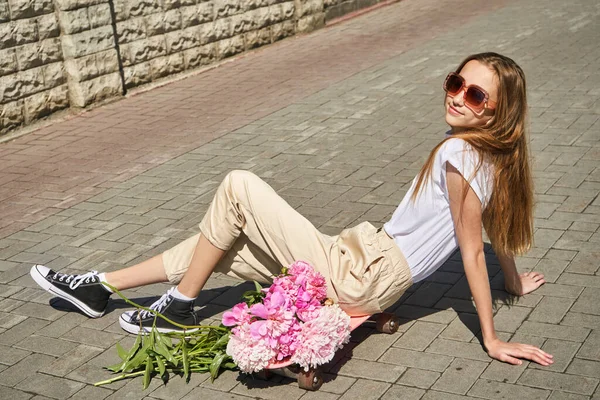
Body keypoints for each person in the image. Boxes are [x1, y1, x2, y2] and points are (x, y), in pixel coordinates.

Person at [30, 52, 553, 366]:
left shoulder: (459, 153)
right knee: (223, 248)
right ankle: (102, 288)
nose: (459, 97)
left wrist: (491, 337)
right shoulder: (493, 155)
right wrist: (511, 282)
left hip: (367, 272)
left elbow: (470, 248)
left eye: (476, 95)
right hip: (363, 262)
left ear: (499, 110)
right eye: (455, 83)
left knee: (238, 185)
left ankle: (180, 308)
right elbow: (495, 231)